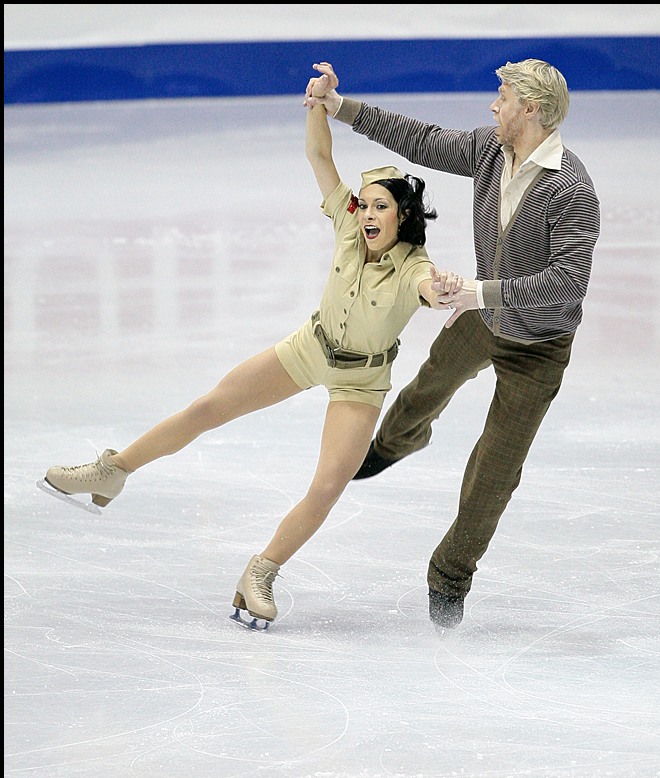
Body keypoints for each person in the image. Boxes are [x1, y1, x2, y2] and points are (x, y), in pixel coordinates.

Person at [39, 70, 461, 629]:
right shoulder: (348, 222)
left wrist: (446, 288)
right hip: (311, 347)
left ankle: (260, 571)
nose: (369, 215)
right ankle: (112, 470)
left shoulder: (414, 267)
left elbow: (429, 288)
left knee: (329, 485)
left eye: (381, 208)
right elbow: (318, 155)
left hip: (361, 382)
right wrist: (318, 102)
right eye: (367, 205)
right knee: (207, 408)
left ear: (403, 216)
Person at [305, 59, 601, 631]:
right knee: (430, 382)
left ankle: (449, 576)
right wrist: (340, 108)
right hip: (485, 315)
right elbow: (424, 141)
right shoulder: (490, 150)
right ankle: (393, 444)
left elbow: (565, 284)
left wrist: (475, 292)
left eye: (504, 97)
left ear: (531, 111)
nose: (494, 105)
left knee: (496, 468)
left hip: (539, 344)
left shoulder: (573, 189)